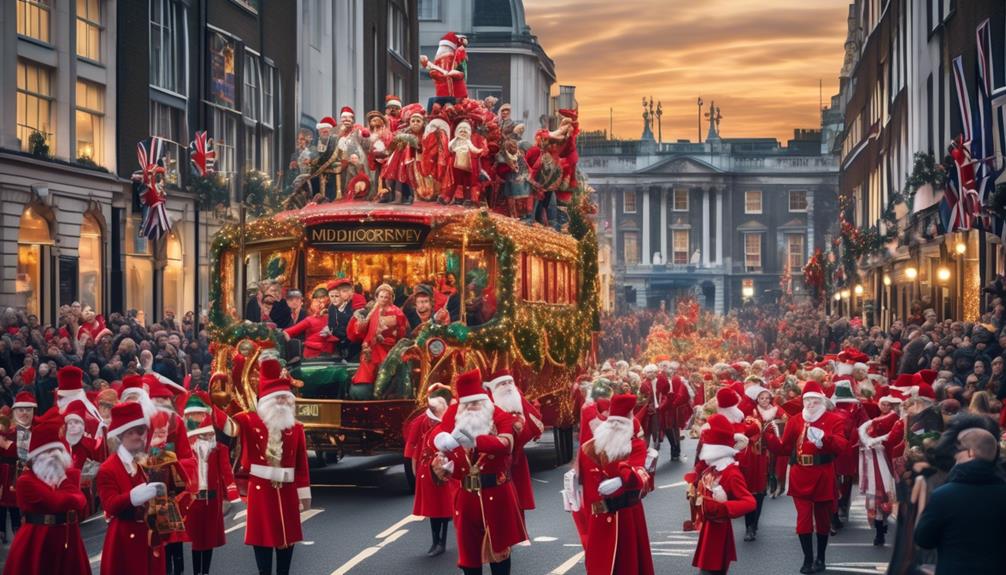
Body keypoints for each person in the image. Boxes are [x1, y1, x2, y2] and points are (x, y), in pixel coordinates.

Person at [432, 369, 527, 575]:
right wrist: (441, 460)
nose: (472, 409)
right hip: (466, 498)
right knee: (469, 560)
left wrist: (477, 442)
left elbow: (506, 444)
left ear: (484, 400)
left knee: (500, 557)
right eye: (467, 405)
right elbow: (436, 440)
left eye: (476, 403)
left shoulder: (499, 415)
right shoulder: (453, 415)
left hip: (497, 494)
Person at [232, 357, 311, 575]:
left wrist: (303, 493)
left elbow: (301, 464)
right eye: (279, 400)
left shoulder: (295, 428)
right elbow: (227, 425)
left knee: (287, 539)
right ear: (267, 402)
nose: (284, 404)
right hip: (262, 489)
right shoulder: (248, 420)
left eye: (287, 400)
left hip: (287, 490)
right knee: (263, 538)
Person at [764, 381, 848, 574]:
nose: (810, 404)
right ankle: (808, 559)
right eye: (807, 400)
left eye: (814, 400)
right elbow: (785, 448)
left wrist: (824, 439)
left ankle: (821, 558)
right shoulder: (795, 420)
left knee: (822, 519)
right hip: (800, 473)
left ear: (822, 401)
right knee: (803, 519)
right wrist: (769, 439)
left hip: (823, 473)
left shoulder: (834, 420)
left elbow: (841, 445)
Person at [1, 411, 90, 575]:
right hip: (38, 540)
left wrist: (63, 480)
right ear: (36, 458)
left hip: (67, 538)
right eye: (47, 453)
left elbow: (81, 501)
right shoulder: (26, 481)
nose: (53, 458)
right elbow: (56, 502)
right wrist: (67, 488)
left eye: (56, 453)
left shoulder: (65, 476)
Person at [577, 393, 654, 575]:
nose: (614, 427)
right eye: (612, 423)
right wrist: (575, 483)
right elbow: (589, 468)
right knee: (600, 560)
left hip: (626, 511)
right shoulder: (597, 443)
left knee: (627, 561)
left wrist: (621, 480)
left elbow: (642, 475)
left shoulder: (635, 445)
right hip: (601, 510)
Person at [914, 427, 1006, 575]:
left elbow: (924, 539)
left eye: (957, 452)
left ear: (971, 453)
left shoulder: (943, 495)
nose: (955, 457)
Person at [96, 401, 167, 575]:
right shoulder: (108, 468)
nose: (137, 436)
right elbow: (110, 505)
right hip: (124, 537)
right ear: (120, 436)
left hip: (150, 535)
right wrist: (134, 496)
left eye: (140, 431)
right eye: (130, 433)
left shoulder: (146, 460)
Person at [688, 413, 757, 574]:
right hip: (709, 527)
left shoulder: (730, 472)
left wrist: (725, 505)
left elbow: (749, 502)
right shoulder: (713, 467)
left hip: (718, 531)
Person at [183, 394, 240, 575]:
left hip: (212, 499)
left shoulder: (218, 448)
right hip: (193, 500)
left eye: (200, 415)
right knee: (195, 539)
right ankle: (196, 572)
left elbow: (226, 471)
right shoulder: (184, 447)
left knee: (208, 539)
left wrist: (232, 495)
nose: (197, 420)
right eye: (194, 416)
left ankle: (205, 572)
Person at [485, 369, 544, 514]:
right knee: (501, 502)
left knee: (518, 499)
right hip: (497, 462)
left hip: (517, 460)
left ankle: (520, 533)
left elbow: (535, 423)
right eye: (502, 384)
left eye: (509, 382)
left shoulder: (519, 401)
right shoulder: (489, 406)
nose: (507, 386)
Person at [405, 384, 453, 557]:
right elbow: (412, 446)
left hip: (443, 470)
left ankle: (442, 542)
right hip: (427, 470)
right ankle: (435, 541)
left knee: (444, 507)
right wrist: (414, 471)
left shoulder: (449, 422)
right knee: (433, 509)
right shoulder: (421, 421)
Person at [857, 392, 905, 546]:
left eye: (888, 404)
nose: (885, 406)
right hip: (875, 461)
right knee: (878, 497)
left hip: (884, 462)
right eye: (883, 403)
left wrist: (873, 441)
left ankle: (881, 530)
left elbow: (890, 439)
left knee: (882, 495)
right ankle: (880, 530)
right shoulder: (880, 420)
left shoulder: (893, 420)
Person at [350, 284, 407, 393]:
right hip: (371, 346)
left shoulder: (397, 313)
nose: (384, 299)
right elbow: (361, 329)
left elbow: (401, 331)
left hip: (388, 348)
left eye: (386, 297)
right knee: (367, 368)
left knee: (386, 371)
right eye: (381, 297)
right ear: (376, 297)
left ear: (391, 298)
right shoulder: (371, 309)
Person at [0, 391, 37, 542]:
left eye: (28, 409)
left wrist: (9, 446)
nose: (24, 413)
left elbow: (25, 453)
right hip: (6, 474)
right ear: (14, 412)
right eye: (20, 410)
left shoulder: (36, 429)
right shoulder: (9, 431)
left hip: (29, 475)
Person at [283, 287, 338, 359]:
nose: (321, 304)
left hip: (330, 357)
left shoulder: (336, 318)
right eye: (317, 301)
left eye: (323, 302)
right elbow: (286, 332)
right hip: (312, 358)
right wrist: (293, 349)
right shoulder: (309, 320)